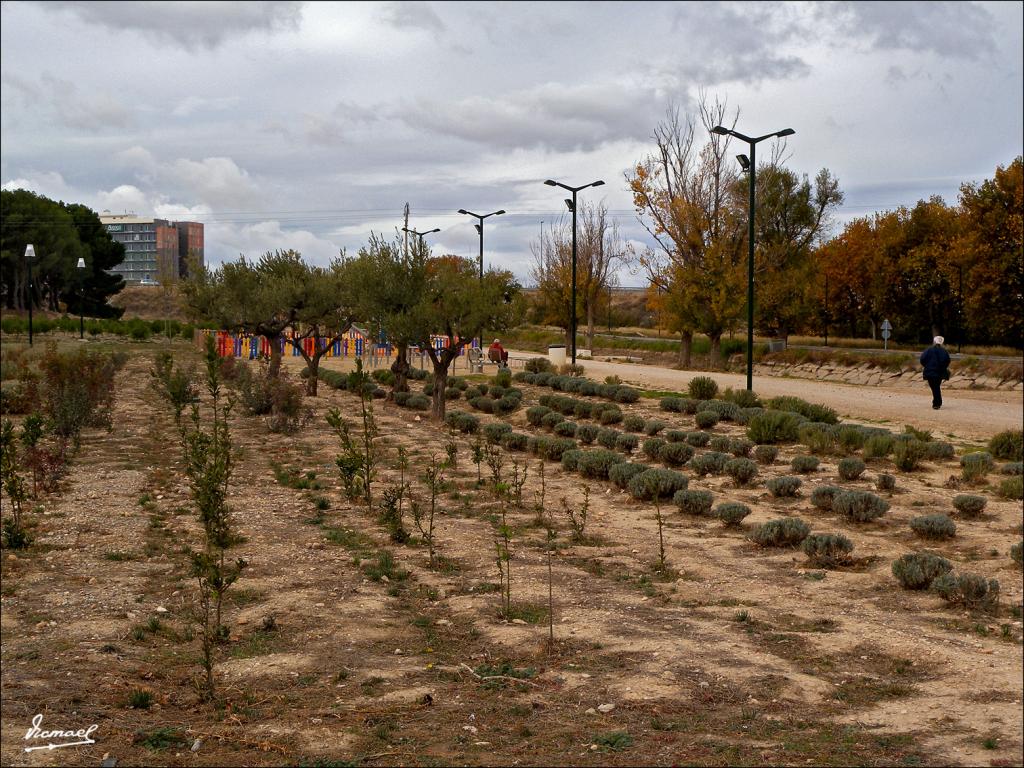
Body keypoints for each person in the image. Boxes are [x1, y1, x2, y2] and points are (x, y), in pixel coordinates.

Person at [920, 335, 951, 410]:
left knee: (934, 387)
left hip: (930, 371)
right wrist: (943, 368)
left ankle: (937, 403)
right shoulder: (944, 351)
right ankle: (937, 402)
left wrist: (927, 366)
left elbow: (922, 359)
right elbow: (947, 361)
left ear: (934, 341)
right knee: (936, 386)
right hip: (940, 372)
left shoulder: (928, 350)